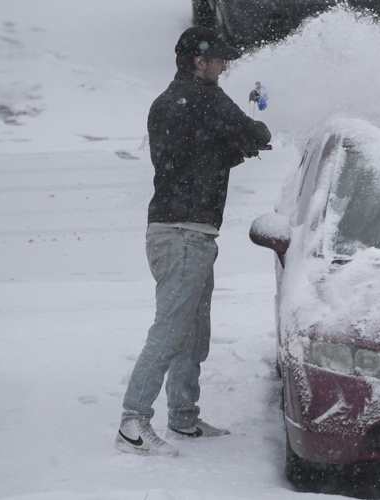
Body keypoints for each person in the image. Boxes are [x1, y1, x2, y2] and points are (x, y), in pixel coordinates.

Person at [114, 27, 271, 457]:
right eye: (220, 60)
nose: (225, 67)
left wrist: (244, 145)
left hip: (185, 232)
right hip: (182, 235)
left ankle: (183, 418)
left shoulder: (169, 103)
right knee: (169, 332)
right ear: (199, 62)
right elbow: (249, 131)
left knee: (193, 332)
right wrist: (259, 129)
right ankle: (133, 422)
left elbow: (202, 157)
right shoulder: (203, 97)